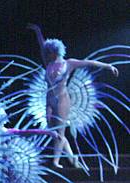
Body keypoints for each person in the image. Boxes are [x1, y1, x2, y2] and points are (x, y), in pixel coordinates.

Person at [27, 24, 119, 168]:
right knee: (53, 132)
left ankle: (56, 161)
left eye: (48, 51)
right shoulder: (48, 64)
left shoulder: (68, 63)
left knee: (60, 131)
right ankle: (73, 159)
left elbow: (89, 63)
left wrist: (108, 66)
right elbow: (42, 45)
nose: (46, 53)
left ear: (54, 51)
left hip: (62, 100)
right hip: (49, 100)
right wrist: (37, 32)